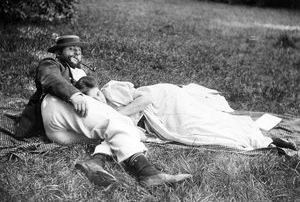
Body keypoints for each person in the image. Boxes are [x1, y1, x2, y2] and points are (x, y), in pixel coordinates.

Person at [16, 35, 192, 187]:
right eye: (71, 49)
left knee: (115, 131)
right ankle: (147, 173)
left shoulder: (79, 72)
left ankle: (95, 161)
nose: (77, 53)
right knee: (118, 121)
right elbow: (49, 78)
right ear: (59, 53)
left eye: (79, 50)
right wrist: (75, 95)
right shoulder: (52, 63)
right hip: (54, 107)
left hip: (62, 133)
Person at [75, 76, 298, 152]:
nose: (99, 100)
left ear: (98, 88)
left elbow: (146, 98)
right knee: (203, 129)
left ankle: (261, 139)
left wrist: (121, 115)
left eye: (96, 94)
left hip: (164, 99)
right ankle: (267, 142)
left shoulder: (111, 89)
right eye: (93, 99)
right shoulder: (99, 113)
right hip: (157, 116)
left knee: (200, 125)